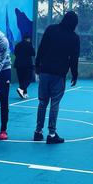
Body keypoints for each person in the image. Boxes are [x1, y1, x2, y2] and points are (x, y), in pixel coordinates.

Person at [33, 11, 80, 144]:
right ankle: (52, 134)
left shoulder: (51, 29)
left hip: (45, 71)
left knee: (42, 102)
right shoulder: (74, 37)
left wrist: (37, 64)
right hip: (59, 74)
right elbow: (74, 58)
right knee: (55, 103)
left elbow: (42, 48)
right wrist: (74, 74)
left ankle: (38, 131)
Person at [14, 33, 36, 99]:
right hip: (27, 65)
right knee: (29, 78)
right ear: (28, 39)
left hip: (18, 64)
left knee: (21, 79)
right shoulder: (29, 44)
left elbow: (15, 53)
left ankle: (24, 93)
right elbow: (33, 53)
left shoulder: (18, 44)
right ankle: (21, 88)